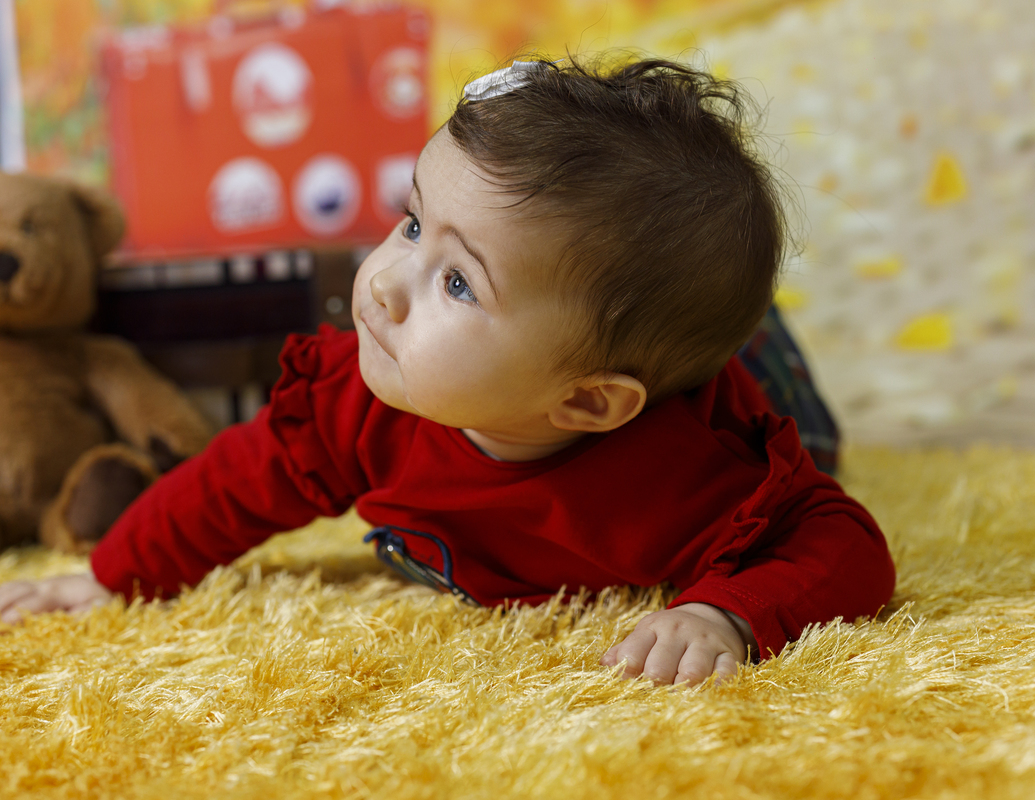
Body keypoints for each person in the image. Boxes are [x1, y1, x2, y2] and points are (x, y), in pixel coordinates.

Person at [0, 55, 894, 686]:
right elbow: (237, 479)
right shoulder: (359, 396)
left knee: (792, 417)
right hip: (606, 363)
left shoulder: (692, 477)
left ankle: (752, 327)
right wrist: (114, 575)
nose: (385, 285)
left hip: (727, 393)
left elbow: (845, 546)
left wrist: (724, 613)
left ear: (584, 400)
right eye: (412, 222)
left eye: (458, 281)